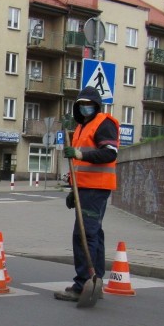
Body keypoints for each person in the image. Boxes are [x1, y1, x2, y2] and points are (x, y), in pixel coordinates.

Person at [55, 86, 120, 303]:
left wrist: (80, 153)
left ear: (96, 106)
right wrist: (73, 190)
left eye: (88, 104)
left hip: (96, 188)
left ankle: (82, 284)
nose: (84, 108)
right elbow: (78, 167)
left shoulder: (104, 123)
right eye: (81, 105)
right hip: (85, 189)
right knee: (95, 234)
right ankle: (96, 281)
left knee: (84, 235)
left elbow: (110, 153)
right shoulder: (82, 127)